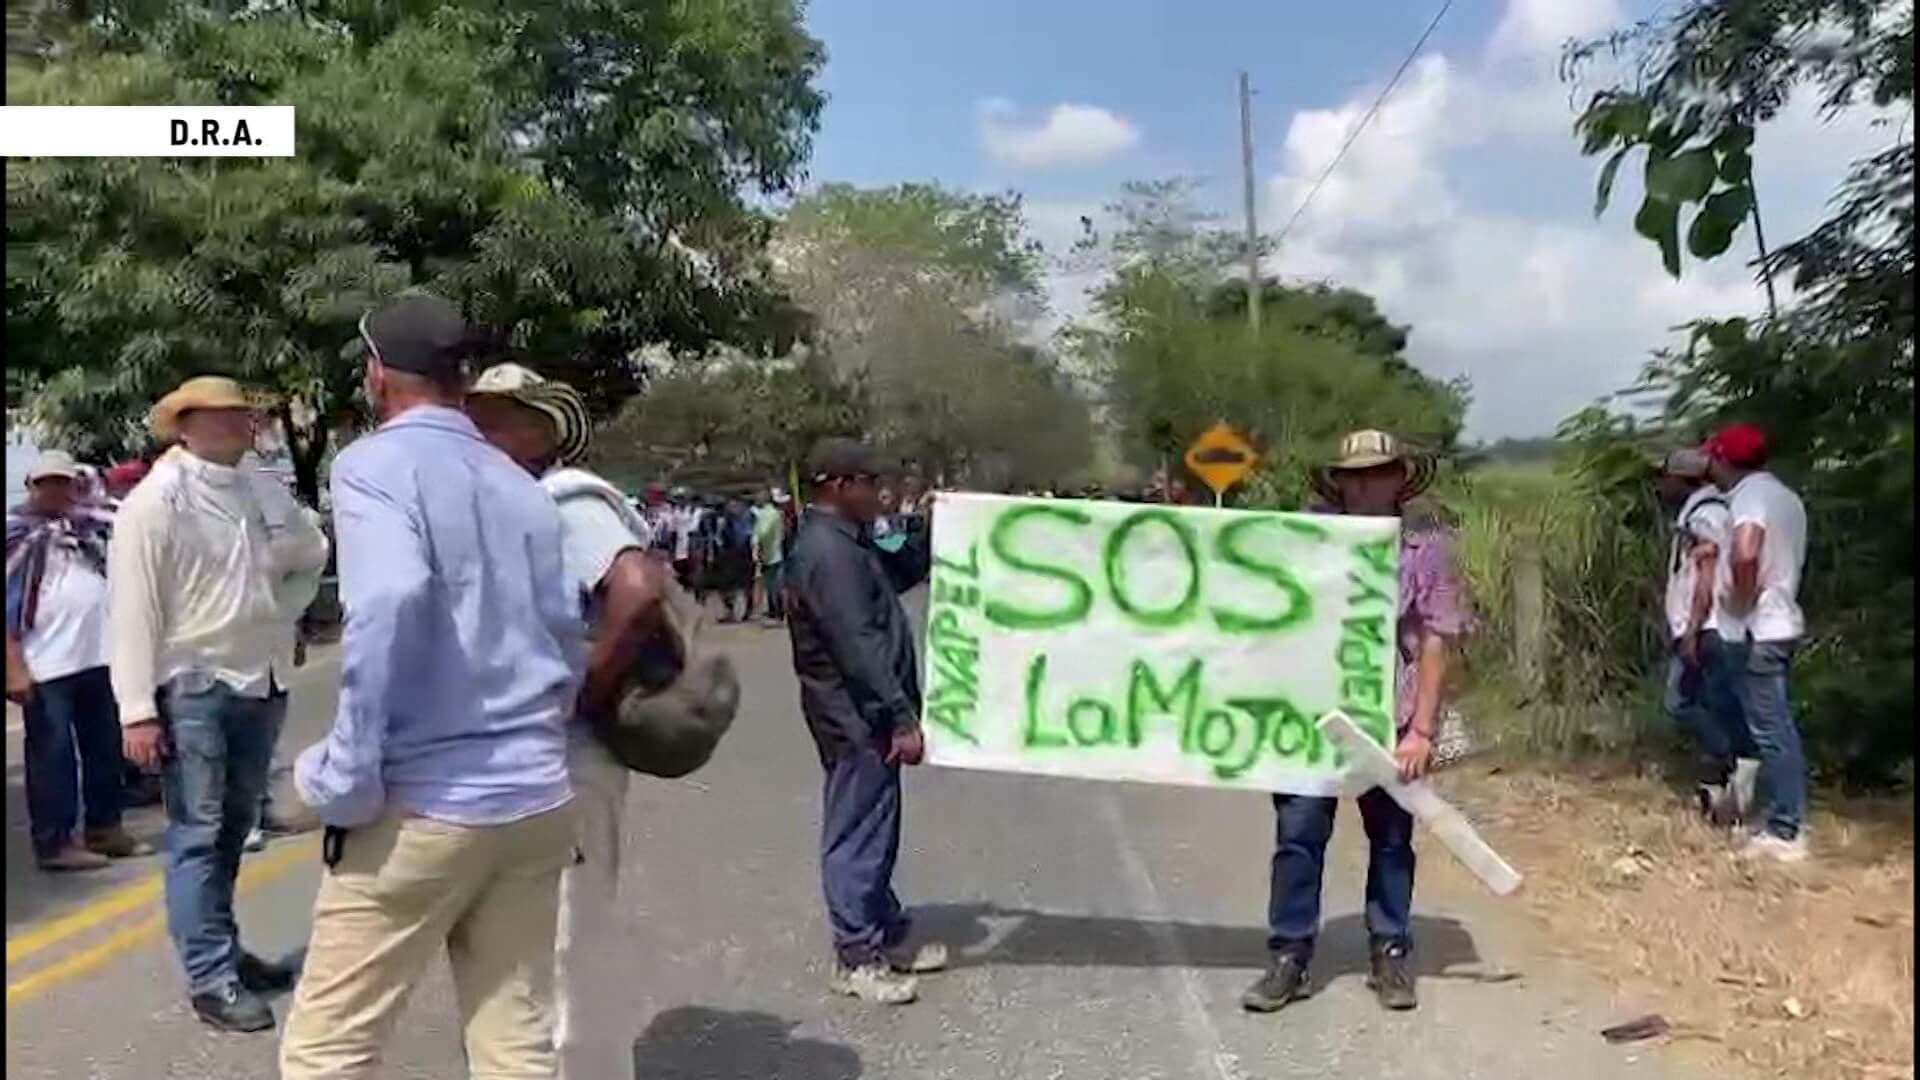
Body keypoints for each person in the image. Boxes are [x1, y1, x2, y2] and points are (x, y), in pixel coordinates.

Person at [280, 296, 584, 1076]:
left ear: (378, 374)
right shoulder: (518, 482)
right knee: (514, 1040)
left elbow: (385, 600)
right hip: (534, 797)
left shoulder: (373, 466)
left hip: (424, 806)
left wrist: (345, 773)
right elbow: (562, 639)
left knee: (329, 1050)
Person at [467, 361, 670, 1080]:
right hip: (533, 762)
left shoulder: (565, 500)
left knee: (562, 943)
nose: (481, 432)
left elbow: (638, 591)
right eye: (475, 418)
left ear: (542, 428)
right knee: (533, 943)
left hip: (570, 761)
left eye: (498, 418)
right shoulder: (515, 506)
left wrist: (580, 696)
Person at [108, 376, 330, 1032]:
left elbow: (310, 549)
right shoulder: (157, 501)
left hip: (259, 680)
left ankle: (228, 954)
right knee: (199, 836)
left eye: (243, 416)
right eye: (222, 418)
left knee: (235, 832)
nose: (239, 426)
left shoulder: (260, 485)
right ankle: (211, 977)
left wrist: (279, 607)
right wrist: (136, 710)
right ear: (185, 426)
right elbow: (133, 612)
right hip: (194, 685)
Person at [1242, 430, 1470, 1017]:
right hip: (1308, 718)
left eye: (1380, 472)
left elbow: (1436, 640)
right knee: (1297, 837)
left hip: (1388, 716)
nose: (1368, 483)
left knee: (1392, 839)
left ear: (1400, 477)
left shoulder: (1426, 546)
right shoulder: (1304, 537)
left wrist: (1421, 729)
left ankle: (1390, 949)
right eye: (1356, 474)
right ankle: (1289, 954)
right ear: (1339, 482)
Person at [783, 438, 946, 1005]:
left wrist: (935, 528)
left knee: (877, 822)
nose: (878, 493)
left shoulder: (851, 544)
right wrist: (899, 716)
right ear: (837, 485)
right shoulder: (826, 554)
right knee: (859, 830)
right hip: (854, 716)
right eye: (867, 482)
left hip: (864, 714)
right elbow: (857, 645)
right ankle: (856, 956)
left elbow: (896, 576)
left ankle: (885, 930)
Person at [6, 450, 149, 871]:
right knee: (53, 758)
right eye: (45, 483)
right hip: (46, 665)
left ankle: (106, 829)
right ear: (31, 487)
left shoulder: (90, 531)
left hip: (99, 657)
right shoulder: (16, 536)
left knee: (105, 749)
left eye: (63, 482)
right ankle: (54, 843)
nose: (55, 490)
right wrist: (13, 666)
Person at [1702, 423, 1810, 864]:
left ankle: (1787, 829)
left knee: (1771, 729)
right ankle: (1777, 814)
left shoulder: (1748, 496)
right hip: (1780, 623)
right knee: (1773, 728)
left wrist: (1741, 602)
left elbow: (1746, 551)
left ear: (1726, 461)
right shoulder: (1786, 497)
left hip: (1757, 628)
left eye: (1714, 458)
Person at [1656, 448, 1756, 824]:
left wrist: (1692, 630)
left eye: (1666, 477)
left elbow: (1706, 578)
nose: (1661, 485)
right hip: (1708, 626)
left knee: (1680, 702)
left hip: (1708, 627)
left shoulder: (1706, 516)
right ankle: (1725, 782)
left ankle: (1737, 758)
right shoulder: (1703, 512)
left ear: (1684, 479)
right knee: (1708, 703)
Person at [752, 490, 788, 621]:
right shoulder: (776, 514)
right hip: (774, 552)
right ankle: (776, 610)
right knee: (774, 584)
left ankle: (778, 610)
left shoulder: (768, 514)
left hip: (771, 554)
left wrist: (756, 543)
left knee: (774, 585)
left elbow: (763, 532)